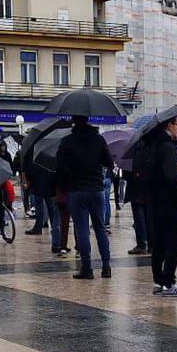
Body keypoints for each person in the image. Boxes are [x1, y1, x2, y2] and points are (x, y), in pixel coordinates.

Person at [137, 116, 177, 297]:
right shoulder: (168, 147)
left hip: (154, 202)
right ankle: (169, 282)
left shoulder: (152, 146)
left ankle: (158, 280)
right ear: (169, 126)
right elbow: (170, 177)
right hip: (169, 202)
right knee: (174, 243)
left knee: (158, 243)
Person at [56, 115, 114, 280]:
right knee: (100, 228)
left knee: (82, 229)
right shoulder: (99, 140)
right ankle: (106, 267)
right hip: (96, 189)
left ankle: (87, 268)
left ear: (74, 122)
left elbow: (59, 167)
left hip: (76, 191)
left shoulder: (67, 141)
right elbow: (109, 162)